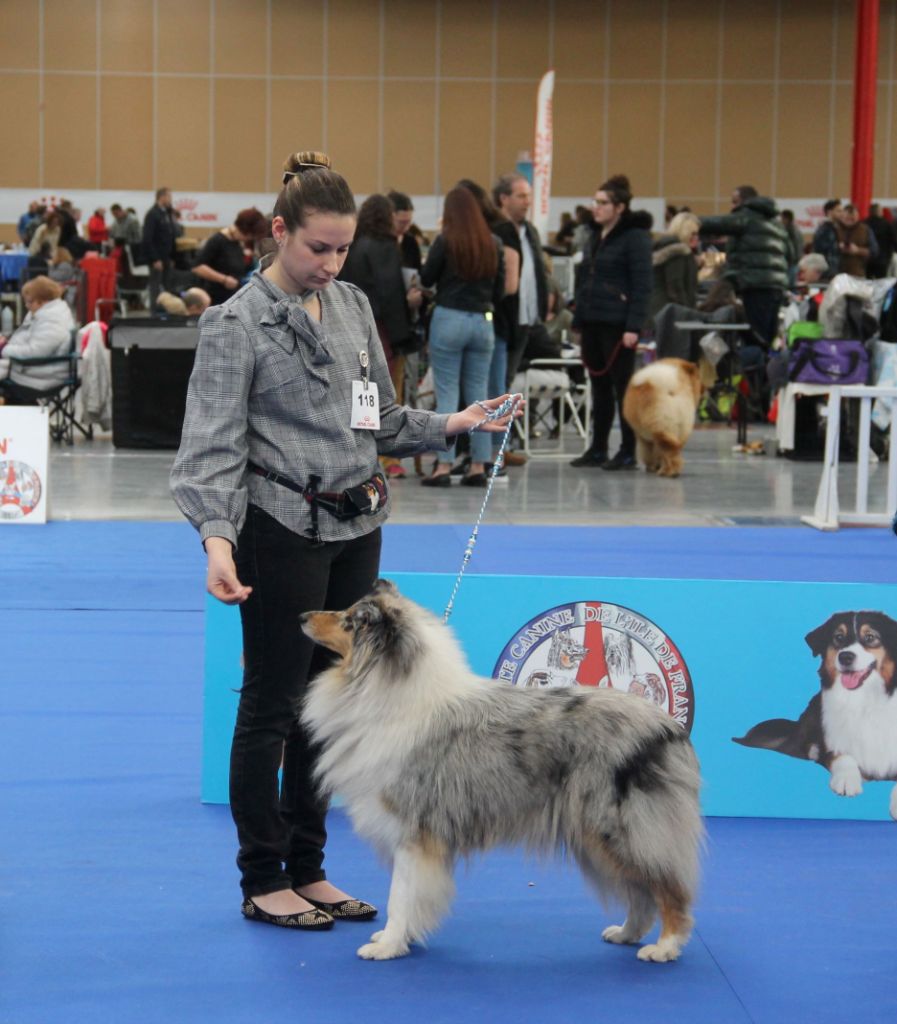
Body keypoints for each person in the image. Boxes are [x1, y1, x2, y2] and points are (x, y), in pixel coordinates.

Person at [169, 150, 518, 932]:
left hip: (358, 525)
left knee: (330, 704)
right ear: (279, 233)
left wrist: (454, 422)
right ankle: (263, 878)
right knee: (272, 705)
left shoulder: (355, 305)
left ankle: (310, 868)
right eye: (315, 248)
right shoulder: (237, 325)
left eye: (342, 249)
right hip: (278, 531)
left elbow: (380, 421)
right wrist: (217, 542)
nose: (330, 263)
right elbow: (210, 447)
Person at [419, 186, 505, 487]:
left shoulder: (446, 240)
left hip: (449, 317)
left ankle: (444, 466)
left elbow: (427, 278)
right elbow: (501, 288)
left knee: (447, 394)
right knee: (480, 397)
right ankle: (479, 466)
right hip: (483, 320)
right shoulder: (493, 243)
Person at [570, 174, 652, 470]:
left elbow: (643, 285)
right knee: (599, 388)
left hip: (618, 326)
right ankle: (598, 448)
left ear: (620, 207)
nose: (596, 207)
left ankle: (628, 450)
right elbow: (585, 280)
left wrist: (633, 327)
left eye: (603, 203)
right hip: (593, 321)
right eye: (595, 202)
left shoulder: (636, 238)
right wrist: (578, 319)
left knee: (623, 389)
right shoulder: (595, 236)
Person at [339, 193, 423, 478]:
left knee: (359, 394)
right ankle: (388, 458)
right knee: (388, 395)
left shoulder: (353, 246)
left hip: (353, 327)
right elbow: (389, 294)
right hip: (383, 330)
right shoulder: (386, 247)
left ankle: (360, 454)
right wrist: (404, 336)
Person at [698, 185, 792, 354]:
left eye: (735, 202)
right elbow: (792, 254)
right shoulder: (776, 225)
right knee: (767, 339)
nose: (732, 207)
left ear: (745, 202)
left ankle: (752, 376)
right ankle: (763, 376)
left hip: (755, 286)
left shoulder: (747, 217)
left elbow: (718, 224)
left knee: (755, 339)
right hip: (776, 288)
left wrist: (689, 221)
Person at [0, 276, 74, 404]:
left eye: (29, 302)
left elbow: (34, 352)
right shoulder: (48, 314)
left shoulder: (52, 321)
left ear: (42, 301)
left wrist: (4, 348)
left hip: (38, 376)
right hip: (36, 370)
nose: (26, 305)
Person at [192, 208, 269, 306]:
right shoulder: (217, 241)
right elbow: (198, 267)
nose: (250, 239)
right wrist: (224, 279)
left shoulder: (237, 242)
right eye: (250, 236)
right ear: (245, 231)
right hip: (217, 299)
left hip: (232, 298)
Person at [649, 211, 700, 318]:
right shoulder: (677, 252)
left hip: (659, 310)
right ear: (684, 232)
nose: (697, 238)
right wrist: (689, 313)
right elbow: (675, 287)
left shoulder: (667, 249)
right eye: (693, 233)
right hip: (669, 314)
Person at [143, 187, 176, 306]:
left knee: (168, 286)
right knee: (155, 287)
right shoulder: (152, 214)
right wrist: (155, 259)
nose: (171, 200)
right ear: (162, 197)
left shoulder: (166, 213)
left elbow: (169, 236)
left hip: (166, 257)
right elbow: (147, 239)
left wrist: (171, 257)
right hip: (157, 259)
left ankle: (167, 310)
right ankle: (154, 313)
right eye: (169, 197)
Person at [836, 203, 875, 278]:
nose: (849, 221)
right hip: (837, 273)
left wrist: (858, 250)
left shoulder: (865, 230)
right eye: (847, 218)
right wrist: (837, 247)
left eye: (852, 218)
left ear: (858, 217)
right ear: (842, 217)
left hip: (858, 273)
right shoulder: (834, 229)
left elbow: (874, 251)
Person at [865, 203, 897, 279]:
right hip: (883, 259)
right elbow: (894, 240)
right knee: (881, 282)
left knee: (867, 282)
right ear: (879, 212)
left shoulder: (864, 224)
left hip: (867, 259)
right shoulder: (886, 224)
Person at [812, 199, 842, 277]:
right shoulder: (824, 230)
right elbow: (820, 249)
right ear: (829, 212)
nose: (841, 214)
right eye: (838, 211)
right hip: (827, 273)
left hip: (834, 270)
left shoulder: (836, 228)